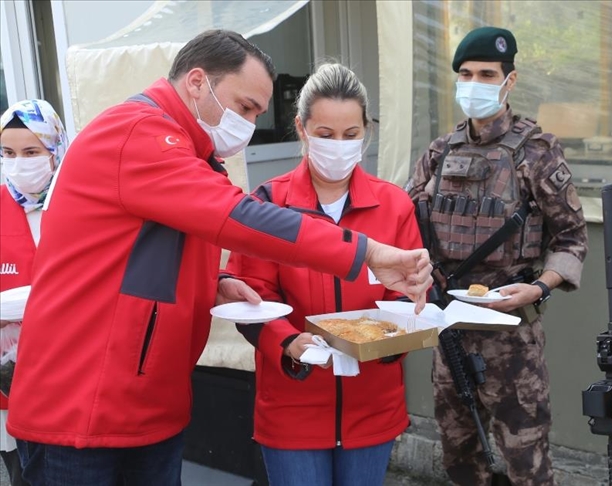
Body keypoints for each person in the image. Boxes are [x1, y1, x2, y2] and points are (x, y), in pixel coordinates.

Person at [6, 30, 431, 486]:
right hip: (84, 407)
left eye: (257, 113)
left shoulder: (190, 152)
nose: (248, 124)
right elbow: (236, 217)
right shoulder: (138, 133)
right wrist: (367, 252)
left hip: (140, 401)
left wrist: (213, 283)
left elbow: (135, 259)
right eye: (245, 106)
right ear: (196, 82)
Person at [219, 63, 421, 486]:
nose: (339, 147)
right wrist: (289, 342)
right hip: (293, 405)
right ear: (302, 129)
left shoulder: (395, 205)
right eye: (325, 135)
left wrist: (393, 336)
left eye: (351, 135)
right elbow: (249, 297)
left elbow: (409, 294)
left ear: (366, 131)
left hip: (373, 404)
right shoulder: (268, 204)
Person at [406, 26, 588, 486]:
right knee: (460, 457)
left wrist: (540, 287)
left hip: (512, 338)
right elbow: (407, 228)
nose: (474, 83)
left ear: (510, 80)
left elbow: (571, 238)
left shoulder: (536, 154)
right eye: (465, 74)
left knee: (527, 461)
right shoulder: (439, 153)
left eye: (487, 74)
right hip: (449, 326)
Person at [0, 99, 68, 486]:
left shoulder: (76, 203)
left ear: (55, 152)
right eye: (7, 153)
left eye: (31, 152)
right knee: (24, 475)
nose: (18, 163)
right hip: (10, 380)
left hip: (71, 373)